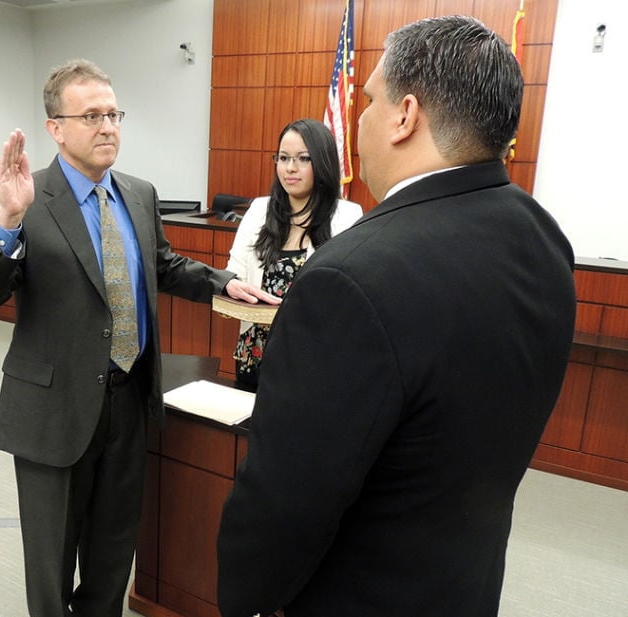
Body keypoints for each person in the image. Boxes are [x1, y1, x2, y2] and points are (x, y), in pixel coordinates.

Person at [217, 16, 576, 617]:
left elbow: (289, 500)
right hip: (465, 585)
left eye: (370, 101)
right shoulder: (543, 238)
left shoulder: (346, 278)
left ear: (405, 116)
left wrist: (244, 600)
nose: (357, 119)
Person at [0, 59, 277, 617]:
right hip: (53, 410)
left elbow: (163, 265)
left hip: (129, 400)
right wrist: (7, 219)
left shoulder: (139, 193)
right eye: (91, 116)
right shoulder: (24, 196)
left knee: (111, 551)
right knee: (50, 562)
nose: (108, 127)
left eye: (113, 114)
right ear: (56, 127)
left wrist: (226, 283)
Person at [226, 118, 362, 388]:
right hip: (255, 352)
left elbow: (350, 298)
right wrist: (231, 286)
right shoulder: (258, 211)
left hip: (314, 359)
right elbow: (234, 275)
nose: (290, 168)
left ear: (322, 162)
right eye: (283, 158)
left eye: (303, 159)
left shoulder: (348, 216)